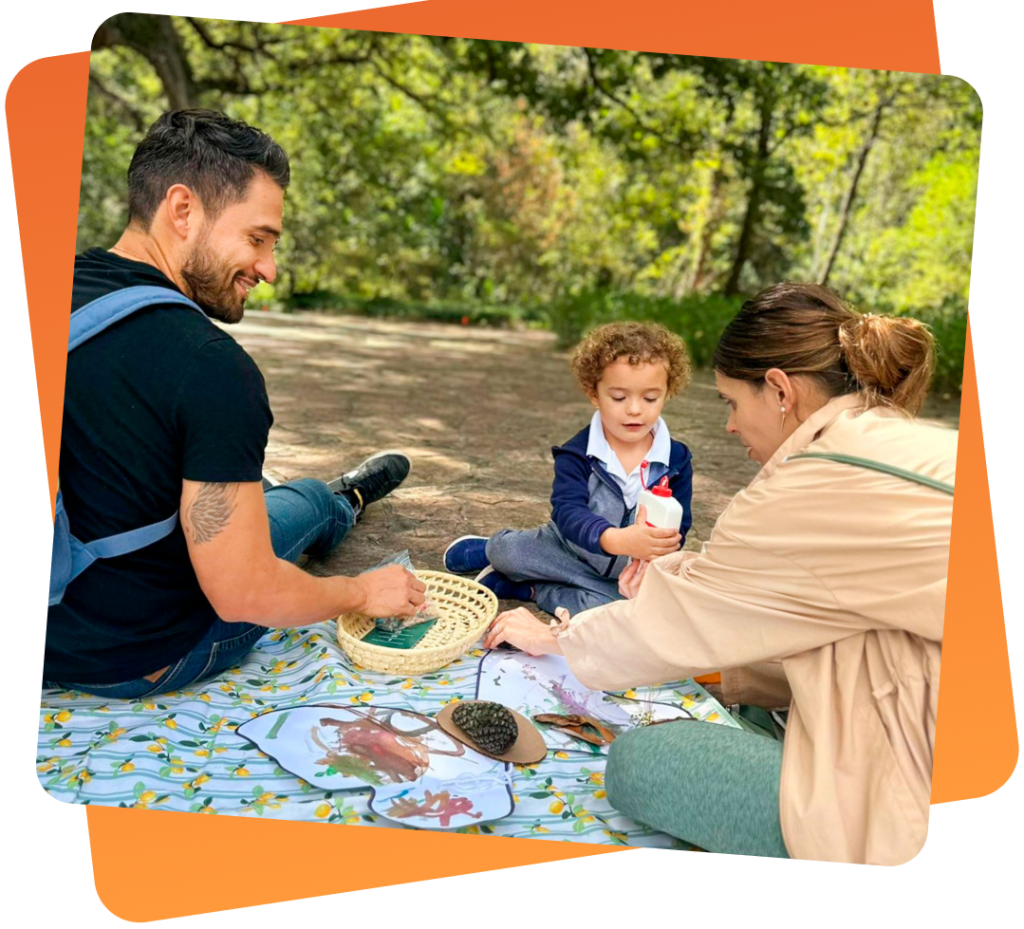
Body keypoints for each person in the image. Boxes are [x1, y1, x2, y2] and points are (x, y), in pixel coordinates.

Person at [483, 283, 956, 866]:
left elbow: (672, 623)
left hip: (902, 790)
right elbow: (797, 602)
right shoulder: (909, 442)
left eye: (730, 403)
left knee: (640, 761)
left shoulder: (803, 486)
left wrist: (558, 637)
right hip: (927, 707)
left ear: (779, 390)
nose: (729, 426)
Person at [42, 109, 426, 700]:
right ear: (183, 210)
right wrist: (361, 591)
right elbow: (244, 595)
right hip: (138, 657)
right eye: (257, 239)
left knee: (227, 488)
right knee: (300, 502)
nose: (269, 268)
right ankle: (340, 502)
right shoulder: (212, 367)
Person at [443, 322, 694, 617]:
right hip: (565, 549)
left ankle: (532, 590)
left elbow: (680, 524)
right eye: (619, 397)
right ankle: (490, 551)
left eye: (650, 398)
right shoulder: (577, 452)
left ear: (667, 393)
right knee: (508, 553)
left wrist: (653, 556)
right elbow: (567, 511)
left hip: (620, 573)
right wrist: (613, 539)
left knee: (613, 612)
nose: (635, 409)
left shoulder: (676, 460)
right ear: (593, 393)